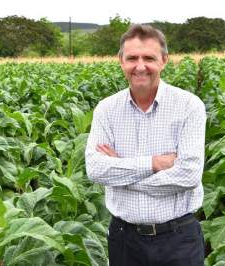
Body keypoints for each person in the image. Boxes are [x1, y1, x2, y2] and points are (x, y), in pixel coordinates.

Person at [85, 24, 206, 266]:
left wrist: (121, 171)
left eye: (149, 58)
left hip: (179, 239)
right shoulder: (106, 110)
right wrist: (155, 163)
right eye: (132, 58)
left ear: (164, 60)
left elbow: (189, 175)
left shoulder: (189, 106)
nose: (140, 66)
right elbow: (96, 169)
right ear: (121, 61)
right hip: (124, 240)